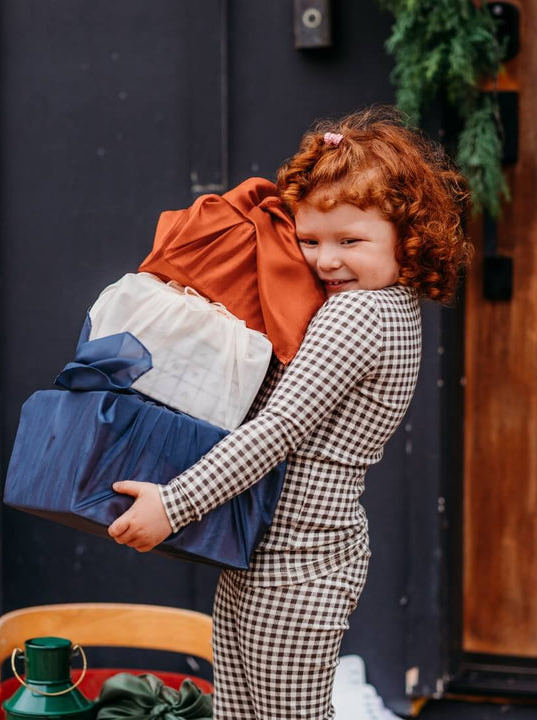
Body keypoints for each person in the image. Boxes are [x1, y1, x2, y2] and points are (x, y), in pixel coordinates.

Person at [107, 106, 472, 719]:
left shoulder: (360, 315)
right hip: (270, 551)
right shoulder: (384, 307)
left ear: (407, 238)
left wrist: (173, 505)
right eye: (309, 240)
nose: (326, 260)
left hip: (298, 567)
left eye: (350, 241)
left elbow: (277, 430)